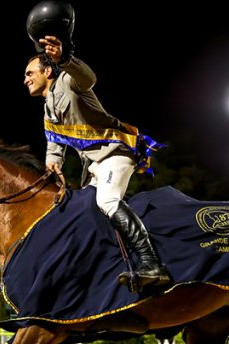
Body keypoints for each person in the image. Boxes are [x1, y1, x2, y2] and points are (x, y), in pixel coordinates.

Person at [24, 5, 171, 291]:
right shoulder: (47, 107)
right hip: (94, 165)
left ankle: (153, 264)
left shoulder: (67, 79)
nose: (25, 79)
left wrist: (65, 57)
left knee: (106, 201)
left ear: (48, 71)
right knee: (84, 212)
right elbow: (54, 140)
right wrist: (52, 163)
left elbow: (88, 78)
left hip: (116, 153)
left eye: (30, 72)